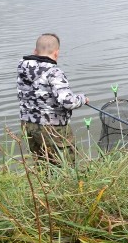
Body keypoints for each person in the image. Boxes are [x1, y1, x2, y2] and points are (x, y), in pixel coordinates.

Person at [18, 33, 89, 166]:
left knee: (43, 165)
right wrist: (82, 99)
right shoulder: (54, 72)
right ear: (56, 53)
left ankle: (45, 186)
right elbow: (68, 102)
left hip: (28, 125)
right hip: (52, 127)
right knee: (65, 166)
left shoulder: (22, 68)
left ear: (35, 51)